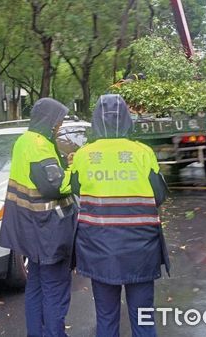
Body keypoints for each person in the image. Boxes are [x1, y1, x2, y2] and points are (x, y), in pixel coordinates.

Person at [70, 94, 170, 337]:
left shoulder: (84, 155)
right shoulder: (143, 152)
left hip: (99, 249)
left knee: (105, 317)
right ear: (127, 119)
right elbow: (159, 194)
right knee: (143, 317)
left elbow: (75, 189)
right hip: (140, 250)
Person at [0, 98, 78, 337]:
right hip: (49, 231)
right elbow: (55, 187)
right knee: (55, 289)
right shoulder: (39, 144)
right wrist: (75, 169)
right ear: (48, 120)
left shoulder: (23, 141)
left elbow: (38, 177)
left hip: (29, 228)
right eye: (58, 121)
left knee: (35, 286)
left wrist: (63, 163)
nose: (59, 126)